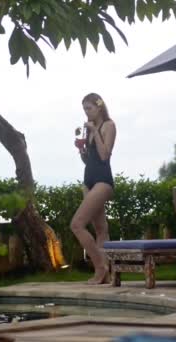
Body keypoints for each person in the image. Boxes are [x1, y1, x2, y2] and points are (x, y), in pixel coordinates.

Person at [71, 93, 116, 285]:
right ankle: (104, 275)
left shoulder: (109, 125)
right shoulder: (88, 130)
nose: (86, 112)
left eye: (89, 108)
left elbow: (105, 155)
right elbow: (90, 159)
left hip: (103, 181)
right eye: (84, 109)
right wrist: (82, 150)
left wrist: (95, 132)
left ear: (99, 107)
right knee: (100, 229)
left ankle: (100, 267)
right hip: (88, 181)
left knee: (77, 224)